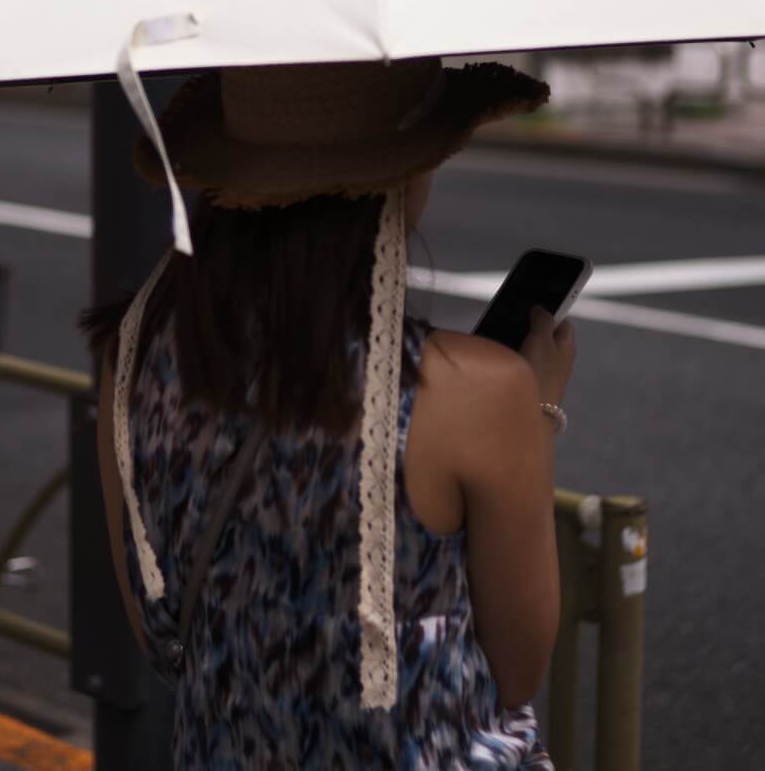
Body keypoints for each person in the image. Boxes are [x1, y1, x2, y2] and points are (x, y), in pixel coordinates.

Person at [82, 58, 575, 769]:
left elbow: (156, 626)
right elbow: (518, 670)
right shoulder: (481, 389)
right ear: (400, 176)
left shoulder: (134, 358)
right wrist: (540, 409)